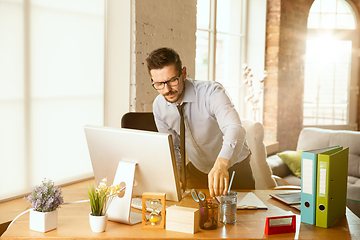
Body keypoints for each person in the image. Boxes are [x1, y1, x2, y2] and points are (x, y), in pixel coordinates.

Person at [146, 47, 255, 197]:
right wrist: (175, 176)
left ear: (183, 73)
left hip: (233, 168)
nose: (167, 90)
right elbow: (173, 147)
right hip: (198, 171)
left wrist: (222, 164)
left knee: (239, 218)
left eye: (172, 80)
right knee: (189, 216)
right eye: (159, 84)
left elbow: (235, 128)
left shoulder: (212, 92)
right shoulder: (159, 106)